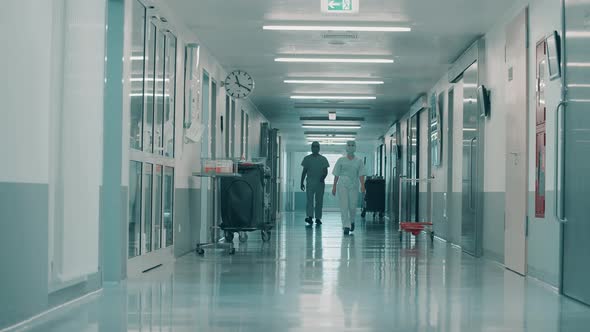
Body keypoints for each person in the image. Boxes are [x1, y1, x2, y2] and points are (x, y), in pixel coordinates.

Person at [332, 141, 366, 235]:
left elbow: (361, 174)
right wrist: (334, 186)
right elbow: (336, 174)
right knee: (344, 205)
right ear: (346, 147)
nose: (350, 147)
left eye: (352, 145)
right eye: (349, 145)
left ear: (355, 147)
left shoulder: (359, 161)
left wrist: (363, 185)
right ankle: (346, 226)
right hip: (342, 184)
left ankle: (352, 221)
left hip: (354, 184)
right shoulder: (341, 160)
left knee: (352, 205)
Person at [301, 141, 330, 226]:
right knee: (309, 201)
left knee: (319, 201)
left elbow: (326, 171)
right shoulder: (307, 159)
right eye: (313, 146)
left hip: (320, 184)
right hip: (310, 183)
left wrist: (323, 177)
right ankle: (310, 217)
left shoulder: (323, 159)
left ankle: (318, 218)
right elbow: (304, 171)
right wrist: (301, 182)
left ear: (319, 148)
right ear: (311, 148)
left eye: (317, 147)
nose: (315, 148)